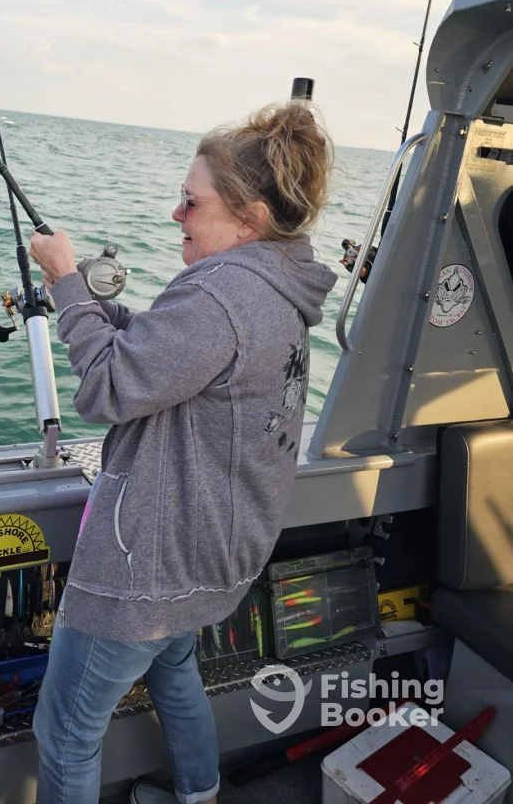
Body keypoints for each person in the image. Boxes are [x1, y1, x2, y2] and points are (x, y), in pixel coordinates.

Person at [29, 102, 337, 804]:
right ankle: (201, 795)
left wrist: (67, 284)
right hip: (212, 556)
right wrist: (100, 312)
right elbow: (177, 357)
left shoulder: (221, 294)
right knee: (174, 674)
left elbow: (108, 387)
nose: (176, 214)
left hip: (150, 569)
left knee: (67, 732)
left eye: (192, 203)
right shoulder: (277, 285)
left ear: (250, 217)